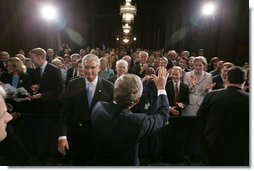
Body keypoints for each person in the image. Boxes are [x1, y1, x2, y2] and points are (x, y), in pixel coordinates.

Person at [91, 67, 169, 166]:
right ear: (137, 100)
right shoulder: (137, 122)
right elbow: (163, 116)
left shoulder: (98, 106)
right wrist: (161, 88)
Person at [57, 54, 114, 165]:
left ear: (99, 68)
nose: (89, 71)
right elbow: (65, 111)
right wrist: (62, 136)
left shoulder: (109, 87)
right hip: (78, 138)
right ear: (82, 67)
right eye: (86, 67)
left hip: (100, 139)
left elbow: (112, 115)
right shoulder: (73, 84)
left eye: (92, 67)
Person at [197, 66, 249, 166]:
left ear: (227, 78)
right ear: (244, 80)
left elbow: (200, 116)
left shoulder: (211, 95)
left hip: (212, 144)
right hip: (240, 147)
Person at [29, 47, 64, 114]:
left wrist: (42, 95)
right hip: (38, 108)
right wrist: (33, 88)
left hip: (52, 107)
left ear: (39, 57)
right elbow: (34, 86)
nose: (31, 60)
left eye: (32, 58)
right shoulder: (34, 72)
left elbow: (59, 89)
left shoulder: (55, 70)